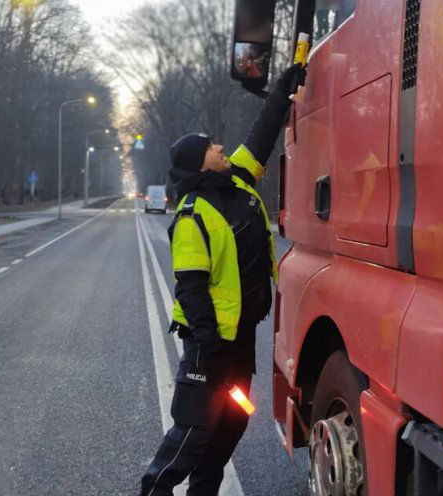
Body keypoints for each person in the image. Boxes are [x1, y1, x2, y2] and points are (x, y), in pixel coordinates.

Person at [139, 63, 306, 496]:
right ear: (199, 162)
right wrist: (211, 349)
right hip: (208, 344)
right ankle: (153, 489)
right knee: (193, 432)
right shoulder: (192, 215)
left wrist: (281, 93)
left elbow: (261, 138)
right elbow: (191, 288)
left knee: (228, 429)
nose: (220, 146)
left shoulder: (238, 179)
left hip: (240, 338)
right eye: (211, 146)